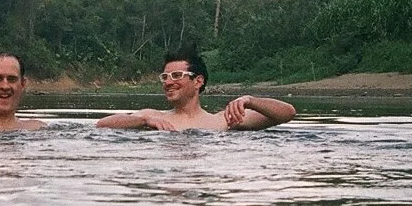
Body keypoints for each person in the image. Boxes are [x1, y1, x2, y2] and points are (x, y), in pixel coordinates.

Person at [95, 48, 295, 131]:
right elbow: (102, 125)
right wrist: (142, 120)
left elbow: (287, 114)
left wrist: (250, 100)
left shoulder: (226, 120)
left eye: (176, 76)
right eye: (165, 77)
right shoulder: (152, 117)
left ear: (198, 81)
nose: (168, 82)